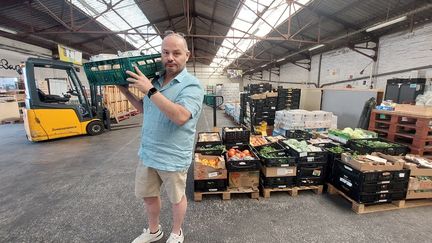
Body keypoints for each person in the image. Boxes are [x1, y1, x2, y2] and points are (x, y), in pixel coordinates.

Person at [118, 31, 204, 243]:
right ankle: (154, 230)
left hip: (173, 155)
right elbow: (146, 108)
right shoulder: (155, 80)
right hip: (149, 152)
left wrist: (149, 90)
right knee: (149, 196)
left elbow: (181, 116)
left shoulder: (191, 85)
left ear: (187, 55)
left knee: (176, 198)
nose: (170, 58)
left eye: (176, 53)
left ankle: (177, 232)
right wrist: (126, 92)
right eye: (165, 52)